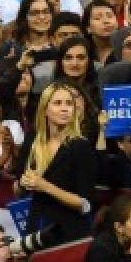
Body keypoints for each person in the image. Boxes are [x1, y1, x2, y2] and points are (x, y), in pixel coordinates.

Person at [12, 81, 99, 241]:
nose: (65, 108)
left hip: (69, 233)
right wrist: (23, 185)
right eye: (57, 103)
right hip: (37, 229)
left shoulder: (80, 146)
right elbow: (19, 190)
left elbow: (85, 204)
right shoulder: (33, 140)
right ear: (45, 109)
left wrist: (45, 186)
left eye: (69, 104)